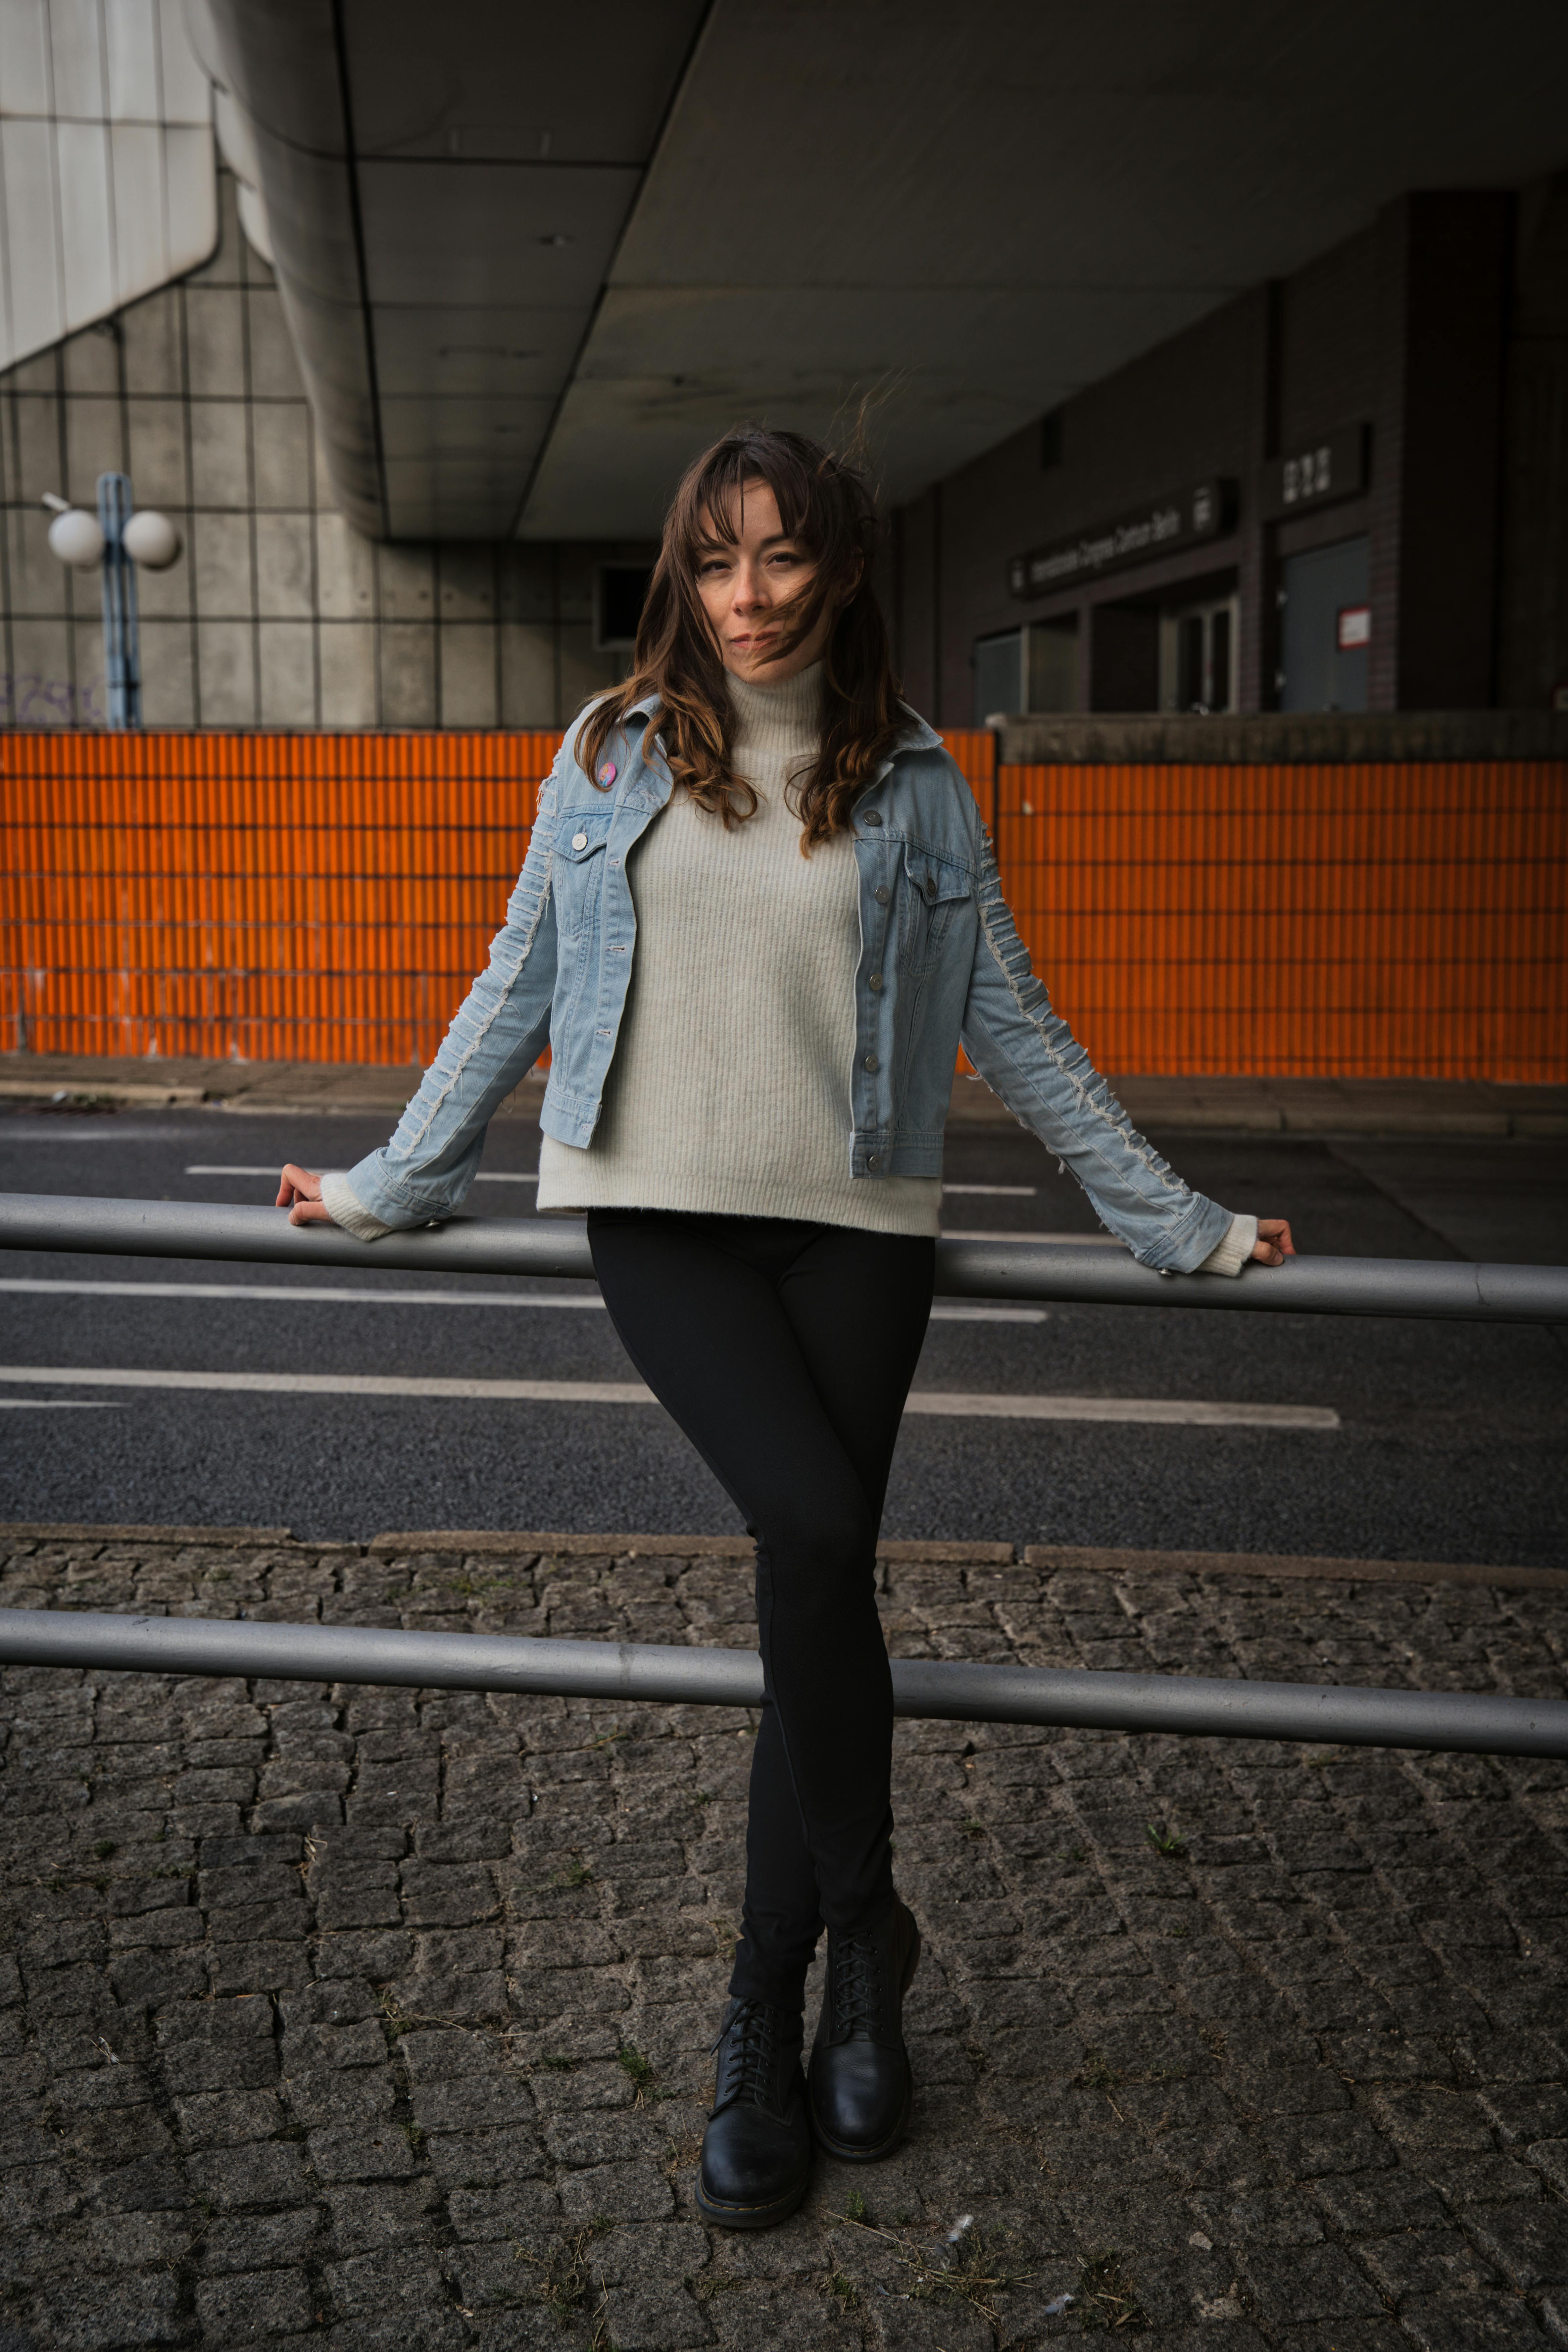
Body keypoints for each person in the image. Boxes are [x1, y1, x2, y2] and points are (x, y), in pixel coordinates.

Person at [278, 425, 1293, 2232]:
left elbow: (1021, 1026)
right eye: (720, 561)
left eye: (782, 560)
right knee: (815, 1534)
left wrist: (1180, 1223)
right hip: (659, 1218)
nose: (747, 600)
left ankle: (771, 2010)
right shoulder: (605, 755)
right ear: (688, 571)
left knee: (809, 1598)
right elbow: (516, 974)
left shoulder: (913, 780)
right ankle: (859, 1938)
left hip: (855, 1234)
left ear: (837, 568)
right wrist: (397, 1178)